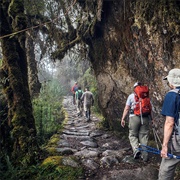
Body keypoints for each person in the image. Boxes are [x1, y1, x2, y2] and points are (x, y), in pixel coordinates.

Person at [120, 82, 153, 162]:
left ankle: (136, 150)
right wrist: (152, 119)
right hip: (145, 118)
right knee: (144, 137)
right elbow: (150, 109)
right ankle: (145, 157)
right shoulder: (146, 97)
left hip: (134, 117)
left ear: (134, 88)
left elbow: (127, 108)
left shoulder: (131, 96)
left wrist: (123, 118)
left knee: (132, 135)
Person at [158, 68, 180, 180]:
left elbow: (170, 122)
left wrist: (164, 146)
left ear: (172, 82)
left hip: (177, 141)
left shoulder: (172, 95)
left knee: (166, 168)